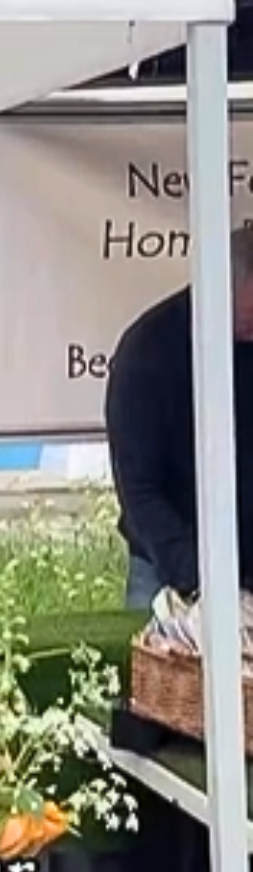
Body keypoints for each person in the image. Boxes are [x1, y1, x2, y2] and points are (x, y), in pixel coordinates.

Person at [106, 223, 253, 611]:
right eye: (247, 320)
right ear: (216, 284)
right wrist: (200, 581)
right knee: (164, 671)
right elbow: (140, 490)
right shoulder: (147, 352)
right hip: (165, 570)